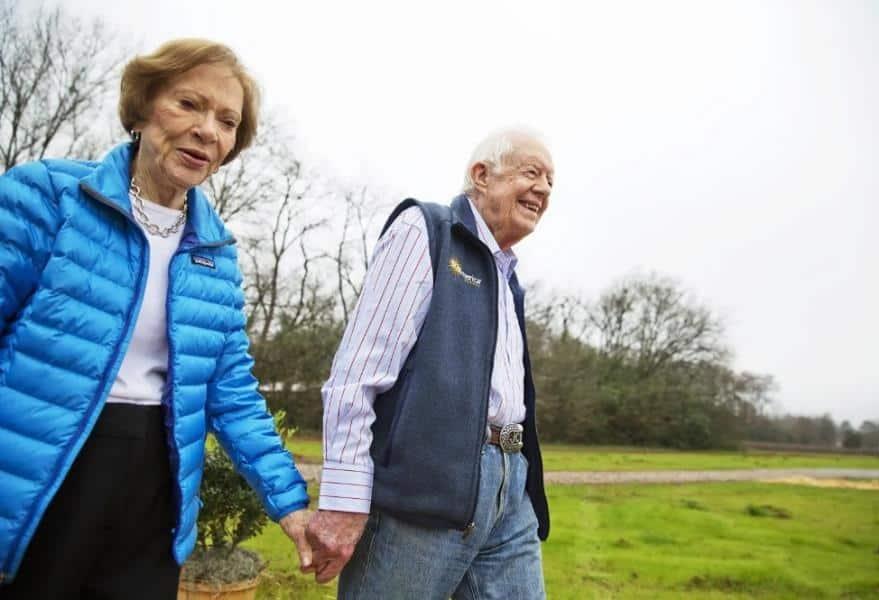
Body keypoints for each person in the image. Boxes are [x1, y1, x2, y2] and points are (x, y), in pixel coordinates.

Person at [0, 39, 311, 598]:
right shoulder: (47, 195)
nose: (206, 130)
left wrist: (290, 503)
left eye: (226, 121)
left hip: (154, 490)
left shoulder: (215, 253)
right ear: (142, 108)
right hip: (41, 474)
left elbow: (232, 391)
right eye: (188, 104)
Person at [305, 128, 554, 599]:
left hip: (509, 489)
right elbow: (356, 375)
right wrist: (343, 499)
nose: (543, 188)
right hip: (424, 490)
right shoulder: (427, 230)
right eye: (531, 172)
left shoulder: (508, 278)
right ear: (481, 175)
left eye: (550, 182)